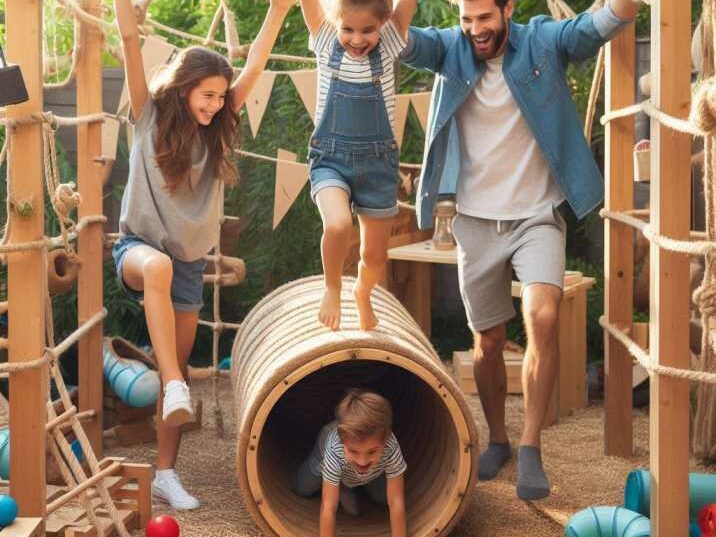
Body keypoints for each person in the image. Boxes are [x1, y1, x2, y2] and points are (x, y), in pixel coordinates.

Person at [401, 0, 638, 500]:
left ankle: (530, 445)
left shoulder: (543, 42)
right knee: (487, 341)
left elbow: (605, 21)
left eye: (485, 18)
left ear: (508, 8)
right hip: (474, 218)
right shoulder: (449, 49)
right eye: (466, 20)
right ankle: (500, 440)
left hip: (537, 214)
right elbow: (396, 38)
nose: (475, 30)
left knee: (544, 315)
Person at [113, 0, 294, 509]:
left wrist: (278, 13)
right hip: (138, 251)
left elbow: (255, 63)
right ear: (184, 85)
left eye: (220, 96)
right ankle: (172, 381)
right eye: (207, 94)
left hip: (187, 265)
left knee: (184, 355)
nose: (215, 104)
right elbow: (129, 41)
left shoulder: (218, 128)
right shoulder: (148, 112)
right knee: (159, 268)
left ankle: (166, 473)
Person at [298, 0, 417, 331]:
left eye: (368, 30)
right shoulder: (324, 42)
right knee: (337, 225)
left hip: (378, 167)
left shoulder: (391, 43)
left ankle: (362, 293)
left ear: (384, 24)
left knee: (376, 257)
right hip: (331, 160)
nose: (357, 39)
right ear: (334, 23)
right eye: (347, 29)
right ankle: (332, 287)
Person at [293, 389, 407, 537]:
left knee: (383, 498)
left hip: (370, 470)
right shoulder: (334, 449)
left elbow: (396, 501)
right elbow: (328, 508)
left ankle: (346, 485)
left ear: (385, 441)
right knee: (302, 488)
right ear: (342, 443)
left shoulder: (390, 446)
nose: (362, 460)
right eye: (353, 451)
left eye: (372, 451)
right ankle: (339, 484)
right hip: (325, 458)